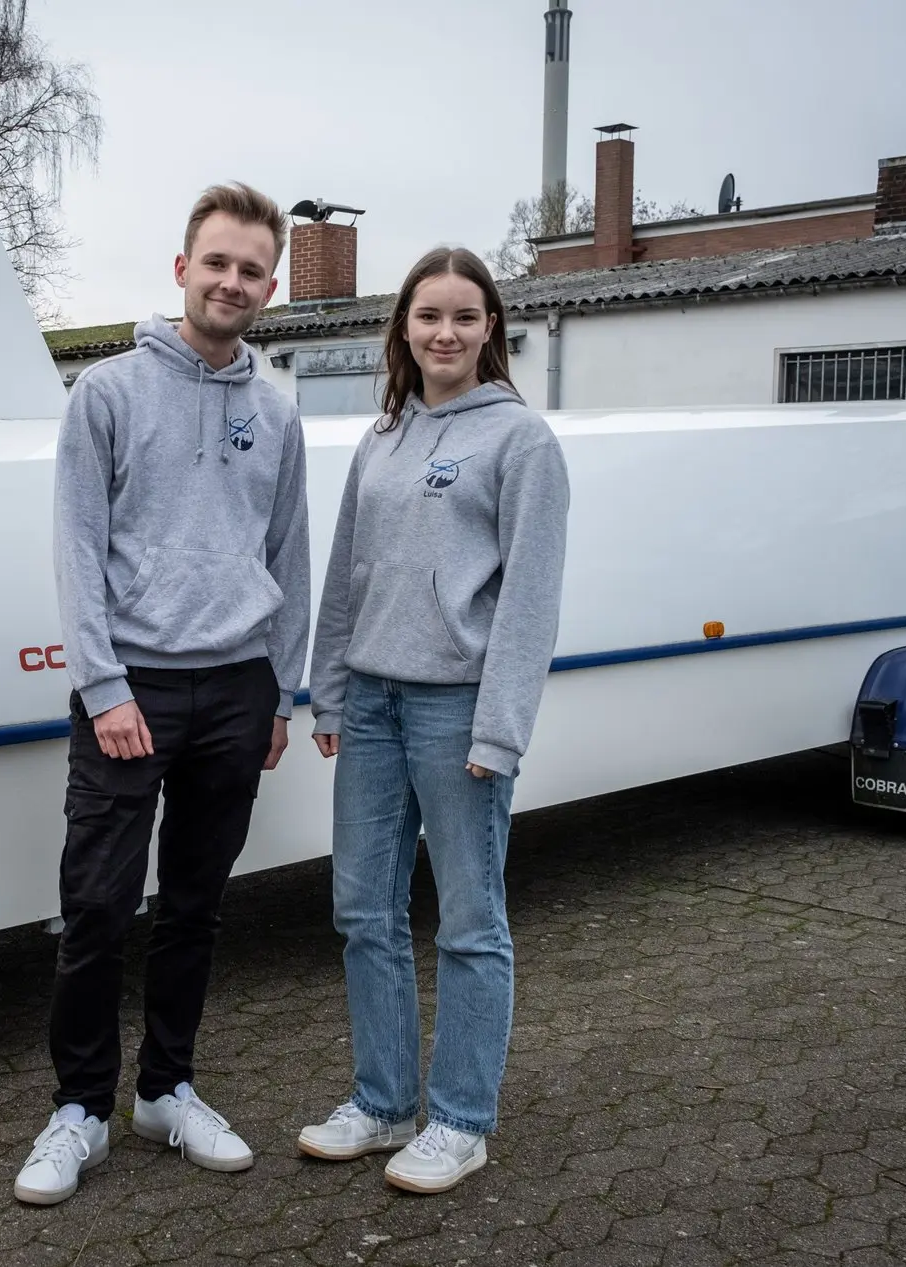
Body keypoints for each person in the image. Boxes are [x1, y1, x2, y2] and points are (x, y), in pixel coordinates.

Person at [14, 182, 311, 1206]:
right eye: (215, 262)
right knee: (97, 907)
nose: (231, 281)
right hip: (129, 689)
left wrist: (282, 692)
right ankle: (79, 1110)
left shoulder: (278, 412)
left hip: (236, 690)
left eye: (251, 269)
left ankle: (166, 1090)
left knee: (195, 906)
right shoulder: (106, 394)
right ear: (182, 268)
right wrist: (102, 685)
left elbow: (289, 554)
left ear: (269, 287)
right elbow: (76, 547)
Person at [297, 246, 569, 1194]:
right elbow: (348, 574)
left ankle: (460, 1120)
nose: (444, 333)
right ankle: (382, 1103)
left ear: (491, 326)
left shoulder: (521, 442)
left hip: (458, 710)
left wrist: (501, 729)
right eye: (428, 316)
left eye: (463, 316)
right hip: (372, 703)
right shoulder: (382, 438)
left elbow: (530, 599)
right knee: (363, 910)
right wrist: (331, 687)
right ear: (403, 328)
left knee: (469, 919)